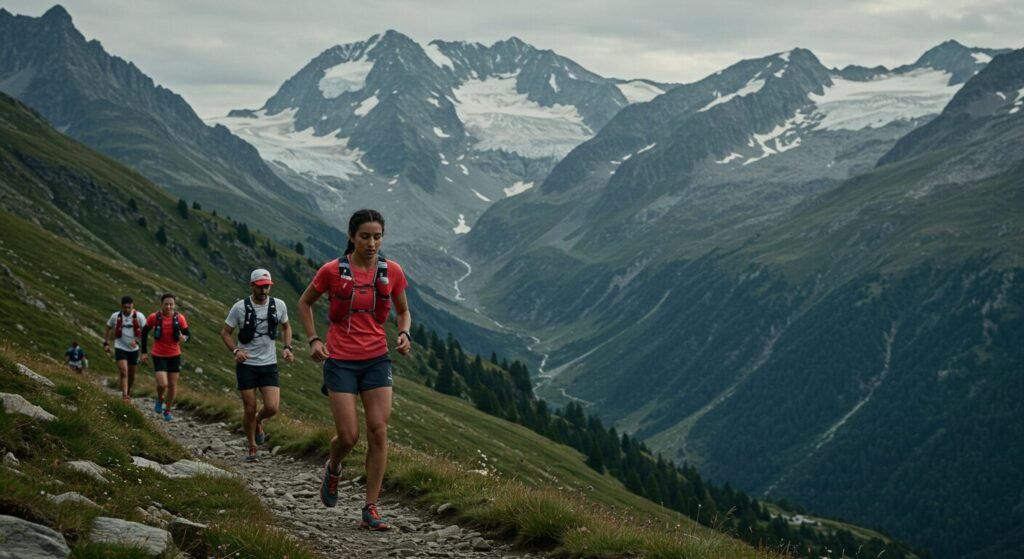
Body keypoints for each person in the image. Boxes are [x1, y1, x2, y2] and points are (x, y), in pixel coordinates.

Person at [298, 209, 411, 531]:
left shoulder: (392, 271)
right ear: (352, 237)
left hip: (377, 359)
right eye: (365, 236)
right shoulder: (332, 271)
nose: (372, 243)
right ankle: (333, 468)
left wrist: (405, 333)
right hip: (340, 360)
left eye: (377, 237)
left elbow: (403, 311)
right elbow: (305, 303)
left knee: (378, 431)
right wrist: (313, 339)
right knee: (348, 436)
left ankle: (371, 507)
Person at [221, 268, 294, 463]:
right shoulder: (239, 307)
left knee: (272, 407)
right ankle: (252, 446)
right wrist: (236, 351)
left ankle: (258, 421)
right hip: (247, 364)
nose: (264, 291)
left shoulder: (279, 305)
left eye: (267, 287)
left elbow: (286, 326)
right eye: (260, 287)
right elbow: (225, 332)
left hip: (269, 363)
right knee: (249, 408)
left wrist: (287, 347)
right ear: (252, 285)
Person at [140, 293, 191, 421]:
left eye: (171, 304)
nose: (168, 307)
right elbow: (144, 333)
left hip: (174, 354)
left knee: (172, 385)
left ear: (174, 305)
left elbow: (187, 335)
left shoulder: (180, 318)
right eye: (166, 304)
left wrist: (184, 338)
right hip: (159, 354)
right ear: (161, 304)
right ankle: (160, 398)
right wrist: (144, 352)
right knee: (163, 384)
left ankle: (167, 410)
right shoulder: (154, 317)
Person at [104, 296, 147, 402]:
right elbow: (108, 327)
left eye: (129, 307)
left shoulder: (139, 316)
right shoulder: (115, 316)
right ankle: (124, 395)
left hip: (133, 349)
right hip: (120, 347)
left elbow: (145, 330)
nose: (127, 310)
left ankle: (128, 391)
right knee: (124, 371)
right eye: (125, 307)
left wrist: (137, 340)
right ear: (121, 306)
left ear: (133, 306)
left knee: (132, 375)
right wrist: (106, 343)